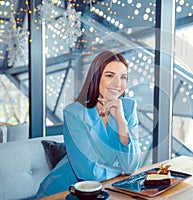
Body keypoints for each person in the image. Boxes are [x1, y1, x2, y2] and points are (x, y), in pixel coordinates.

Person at [37, 50, 142, 198]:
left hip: (109, 189)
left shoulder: (128, 109)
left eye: (123, 77)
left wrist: (121, 121)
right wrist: (121, 168)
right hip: (66, 191)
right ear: (96, 77)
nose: (118, 84)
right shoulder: (74, 113)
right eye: (110, 75)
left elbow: (131, 166)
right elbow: (90, 173)